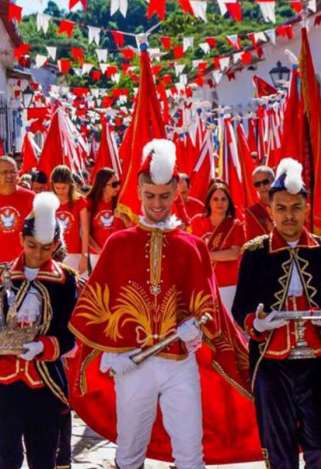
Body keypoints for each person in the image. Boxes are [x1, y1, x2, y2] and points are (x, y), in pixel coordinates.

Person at [69, 139, 253, 468]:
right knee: (129, 453)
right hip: (132, 364)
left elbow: (209, 306)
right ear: (138, 191)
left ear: (176, 193)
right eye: (150, 195)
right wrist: (111, 351)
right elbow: (97, 302)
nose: (157, 203)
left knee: (190, 453)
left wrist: (197, 326)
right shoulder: (118, 244)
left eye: (165, 196)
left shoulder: (192, 246)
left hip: (179, 364)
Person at [232, 158, 321, 469]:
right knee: (279, 450)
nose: (288, 215)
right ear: (270, 209)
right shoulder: (254, 253)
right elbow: (241, 306)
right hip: (272, 366)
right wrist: (255, 322)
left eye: (295, 207)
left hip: (317, 364)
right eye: (281, 208)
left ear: (306, 208)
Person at [0, 192, 78, 469]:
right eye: (31, 245)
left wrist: (43, 347)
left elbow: (70, 336)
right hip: (6, 381)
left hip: (44, 383)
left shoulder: (66, 281)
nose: (37, 254)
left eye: (46, 248)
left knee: (43, 455)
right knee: (5, 456)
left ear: (56, 244)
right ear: (21, 240)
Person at [189, 181, 244, 312]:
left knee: (228, 325)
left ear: (229, 202)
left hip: (228, 285)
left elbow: (234, 253)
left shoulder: (235, 225)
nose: (220, 203)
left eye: (223, 199)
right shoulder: (197, 221)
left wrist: (206, 255)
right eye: (215, 199)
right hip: (202, 283)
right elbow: (192, 251)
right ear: (208, 201)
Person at [50, 165, 90, 274]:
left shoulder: (80, 201)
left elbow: (84, 230)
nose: (60, 191)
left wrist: (84, 256)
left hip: (75, 254)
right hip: (54, 254)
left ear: (70, 185)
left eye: (64, 188)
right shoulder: (49, 201)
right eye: (57, 188)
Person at [86, 168, 124, 264]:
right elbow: (85, 232)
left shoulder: (121, 202)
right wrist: (101, 252)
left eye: (118, 183)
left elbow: (131, 227)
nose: (118, 188)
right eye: (114, 185)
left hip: (118, 254)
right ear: (103, 186)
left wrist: (123, 217)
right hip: (97, 256)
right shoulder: (90, 203)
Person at [244, 165, 275, 242]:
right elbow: (252, 243)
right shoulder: (252, 212)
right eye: (257, 184)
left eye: (265, 182)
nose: (262, 187)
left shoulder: (286, 205)